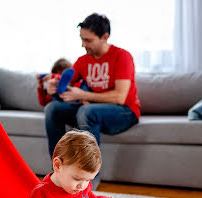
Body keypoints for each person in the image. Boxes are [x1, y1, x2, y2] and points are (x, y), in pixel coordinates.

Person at [44, 13, 140, 161]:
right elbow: (67, 80)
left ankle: (87, 177)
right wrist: (53, 85)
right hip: (92, 110)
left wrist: (82, 95)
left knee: (86, 110)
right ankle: (59, 171)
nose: (83, 44)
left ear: (105, 37)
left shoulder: (122, 57)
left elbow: (120, 97)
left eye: (88, 40)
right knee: (52, 109)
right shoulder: (83, 60)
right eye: (82, 39)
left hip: (124, 112)